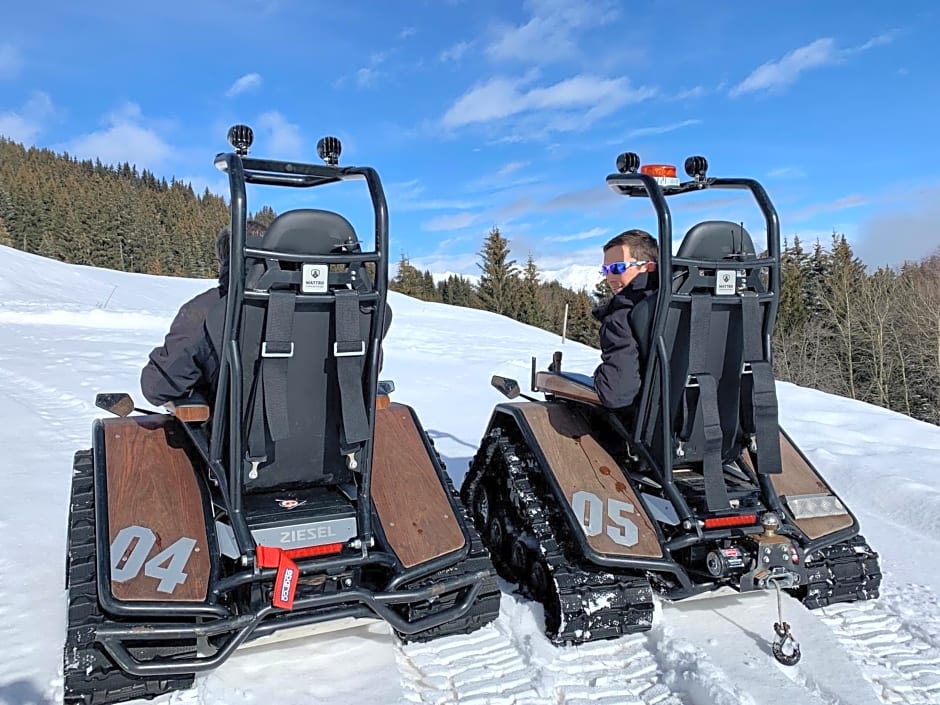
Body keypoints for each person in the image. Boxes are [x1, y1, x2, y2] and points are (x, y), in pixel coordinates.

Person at [140, 219, 268, 407]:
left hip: (235, 433)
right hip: (315, 431)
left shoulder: (207, 310)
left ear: (224, 262)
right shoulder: (315, 307)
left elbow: (158, 387)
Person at [591, 228, 658, 410]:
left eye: (618, 268)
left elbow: (617, 393)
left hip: (647, 427)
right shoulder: (684, 302)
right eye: (606, 270)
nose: (609, 278)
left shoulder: (623, 315)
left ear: (648, 266)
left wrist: (598, 376)